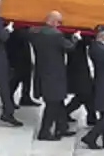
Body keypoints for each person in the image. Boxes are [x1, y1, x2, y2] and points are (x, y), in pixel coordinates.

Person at [31, 11, 80, 140]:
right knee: (53, 104)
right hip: (54, 74)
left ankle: (62, 127)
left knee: (59, 102)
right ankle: (44, 132)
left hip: (42, 72)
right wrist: (75, 38)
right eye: (59, 22)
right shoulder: (56, 34)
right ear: (53, 22)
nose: (60, 24)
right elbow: (69, 47)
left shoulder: (35, 32)